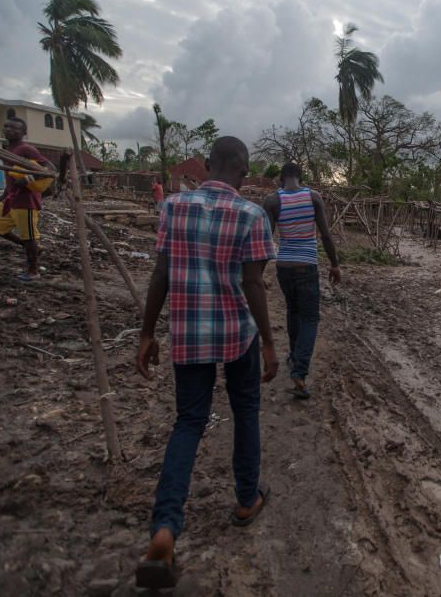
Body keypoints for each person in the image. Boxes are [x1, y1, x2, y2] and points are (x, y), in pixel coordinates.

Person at [134, 136, 279, 590]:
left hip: (189, 332)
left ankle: (165, 529)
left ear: (207, 166)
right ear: (242, 172)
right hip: (238, 334)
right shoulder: (252, 215)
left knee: (189, 422)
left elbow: (161, 273)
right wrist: (271, 343)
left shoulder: (173, 208)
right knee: (246, 411)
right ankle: (245, 499)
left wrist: (146, 331)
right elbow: (253, 284)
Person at [263, 161, 341, 400]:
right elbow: (325, 235)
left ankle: (295, 357)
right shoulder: (313, 197)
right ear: (301, 178)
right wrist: (335, 264)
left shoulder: (272, 201)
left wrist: (257, 272)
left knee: (293, 311)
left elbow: (264, 240)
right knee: (310, 317)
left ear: (281, 179)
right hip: (307, 265)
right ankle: (299, 370)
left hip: (284, 266)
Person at [0, 117, 54, 282]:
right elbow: (10, 181)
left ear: (23, 132)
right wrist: (2, 199)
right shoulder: (8, 149)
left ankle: (33, 270)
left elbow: (50, 169)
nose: (8, 129)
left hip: (25, 202)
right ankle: (33, 248)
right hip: (11, 198)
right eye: (6, 126)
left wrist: (28, 179)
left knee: (29, 237)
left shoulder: (26, 149)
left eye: (14, 128)